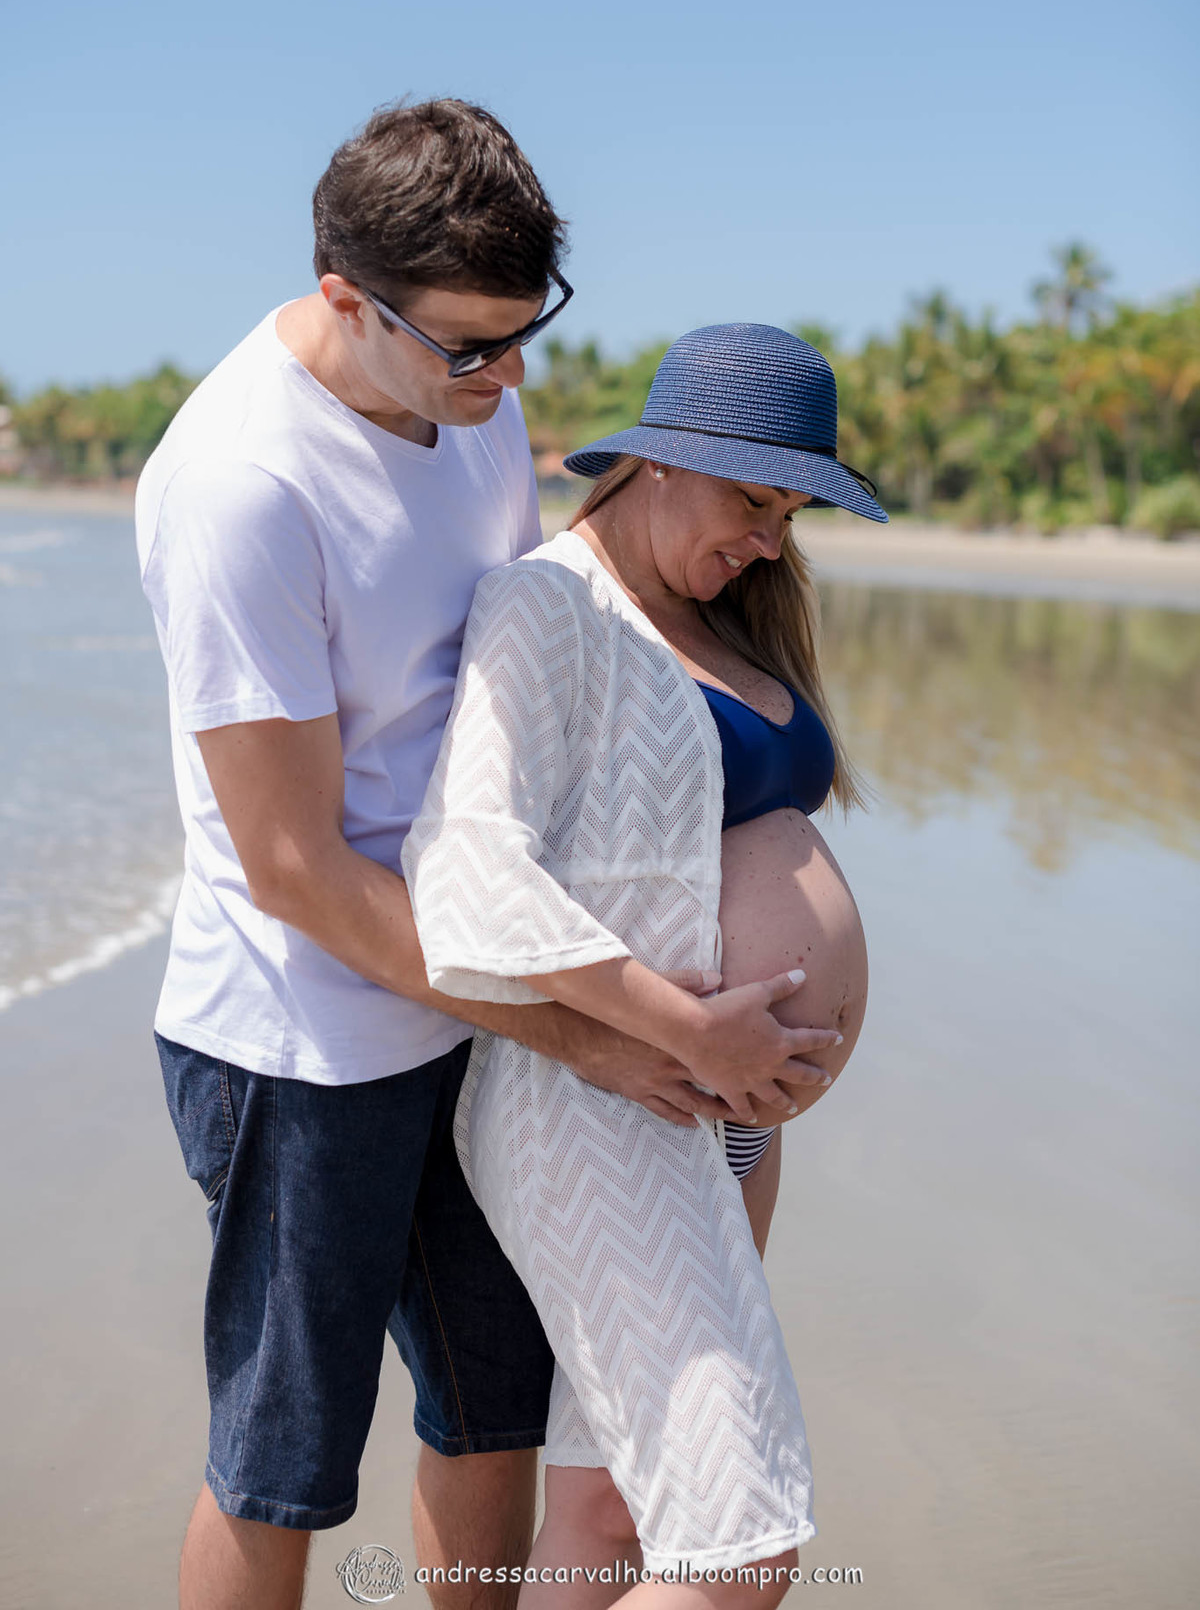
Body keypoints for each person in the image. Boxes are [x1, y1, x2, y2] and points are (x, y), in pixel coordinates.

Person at [135, 104, 827, 1610]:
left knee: (492, 1413)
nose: (510, 381)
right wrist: (605, 1028)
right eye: (470, 346)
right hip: (303, 1042)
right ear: (344, 297)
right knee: (281, 1464)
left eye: (525, 336)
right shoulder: (242, 485)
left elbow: (527, 694)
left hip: (488, 1025)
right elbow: (294, 866)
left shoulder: (474, 403)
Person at [402, 322, 888, 1609]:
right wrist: (688, 1028)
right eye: (754, 503)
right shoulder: (548, 605)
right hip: (604, 1111)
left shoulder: (728, 614)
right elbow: (468, 868)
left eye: (789, 516)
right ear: (661, 461)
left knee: (611, 1503)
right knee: (741, 1549)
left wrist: (736, 1058)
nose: (770, 542)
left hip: (732, 1123)